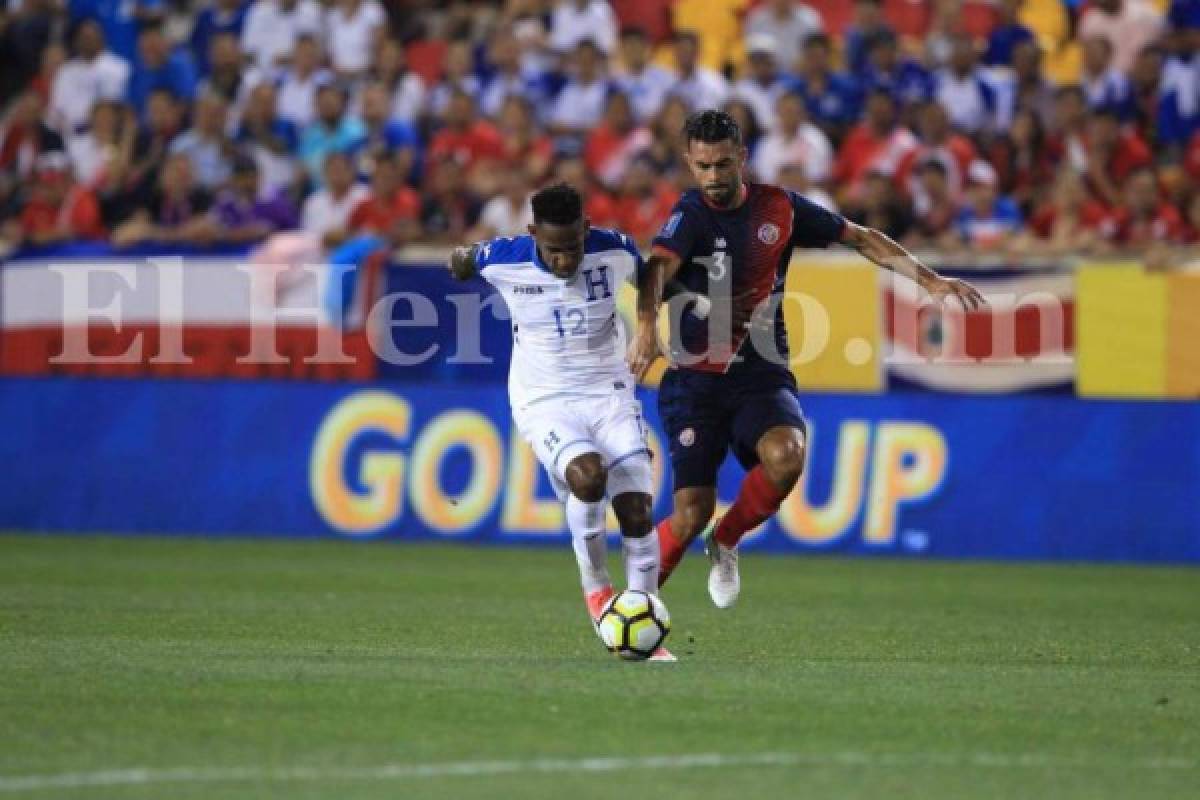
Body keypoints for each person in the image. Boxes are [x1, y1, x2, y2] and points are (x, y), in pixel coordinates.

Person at [627, 110, 984, 608]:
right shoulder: (689, 216)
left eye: (723, 165)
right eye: (703, 166)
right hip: (694, 381)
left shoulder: (780, 209)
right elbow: (656, 272)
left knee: (786, 457)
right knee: (689, 513)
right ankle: (629, 608)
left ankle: (727, 539)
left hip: (760, 371)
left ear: (742, 159)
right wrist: (645, 329)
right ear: (689, 162)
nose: (713, 177)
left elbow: (861, 238)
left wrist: (929, 280)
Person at [447, 183, 674, 662]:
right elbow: (463, 262)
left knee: (636, 507)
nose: (566, 261)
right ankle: (598, 594)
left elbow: (652, 270)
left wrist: (648, 327)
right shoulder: (504, 258)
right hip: (543, 399)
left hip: (610, 391)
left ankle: (644, 616)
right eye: (554, 251)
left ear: (586, 230)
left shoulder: (613, 249)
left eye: (573, 248)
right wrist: (461, 255)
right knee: (588, 476)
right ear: (532, 234)